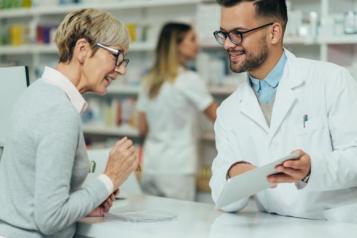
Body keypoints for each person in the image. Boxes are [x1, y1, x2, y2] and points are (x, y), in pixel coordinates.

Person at [209, 0, 357, 221]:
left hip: (332, 227)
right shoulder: (229, 110)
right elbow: (222, 199)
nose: (228, 45)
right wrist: (235, 172)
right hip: (273, 227)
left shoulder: (331, 80)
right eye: (224, 34)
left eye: (238, 33)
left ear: (274, 33)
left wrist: (311, 169)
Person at [0, 9, 138, 238]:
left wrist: (87, 204)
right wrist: (110, 178)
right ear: (83, 50)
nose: (121, 69)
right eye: (117, 56)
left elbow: (32, 198)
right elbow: (50, 219)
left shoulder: (36, 92)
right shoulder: (58, 111)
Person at [137, 22, 218, 201]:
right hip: (178, 170)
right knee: (179, 226)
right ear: (177, 45)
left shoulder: (148, 80)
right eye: (192, 39)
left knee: (151, 225)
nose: (197, 44)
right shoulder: (189, 79)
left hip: (151, 166)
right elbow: (219, 118)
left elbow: (142, 128)